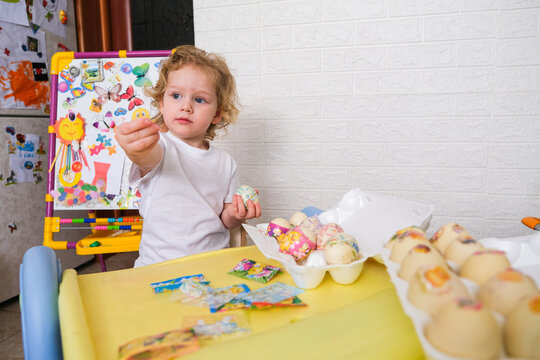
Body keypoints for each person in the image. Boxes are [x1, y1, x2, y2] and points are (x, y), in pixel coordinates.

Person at [116, 45, 261, 267]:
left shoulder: (225, 163)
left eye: (199, 100)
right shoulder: (161, 145)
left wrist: (236, 213)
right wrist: (137, 149)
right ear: (162, 104)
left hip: (211, 264)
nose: (185, 106)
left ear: (217, 114)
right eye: (176, 95)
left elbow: (225, 219)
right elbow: (148, 158)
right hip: (158, 267)